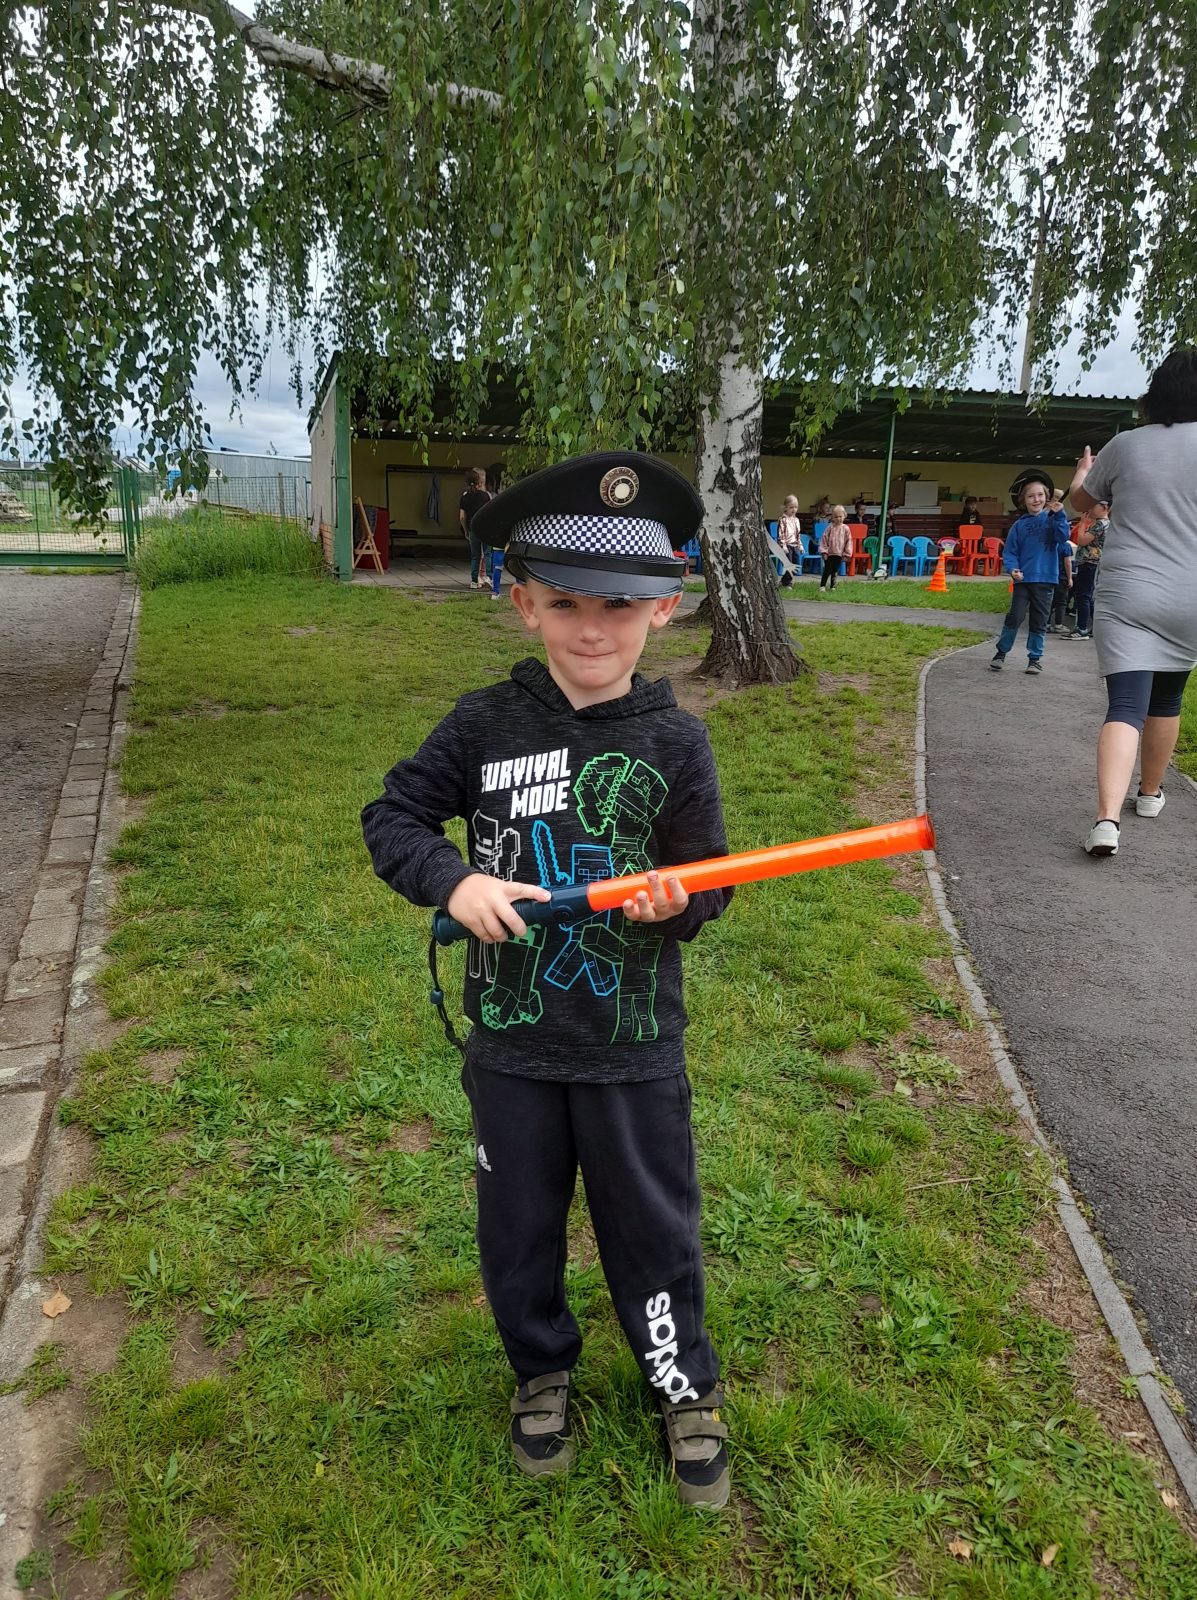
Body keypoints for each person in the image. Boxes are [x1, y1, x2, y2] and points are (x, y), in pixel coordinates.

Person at [361, 451, 733, 1508]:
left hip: (631, 1049)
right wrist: (455, 879)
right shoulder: (484, 726)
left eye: (617, 605)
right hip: (513, 1046)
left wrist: (678, 902)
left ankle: (681, 1386)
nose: (591, 629)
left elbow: (709, 881)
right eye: (565, 602)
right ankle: (539, 1370)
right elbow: (392, 815)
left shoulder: (677, 742)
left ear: (661, 606)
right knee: (517, 1225)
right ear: (524, 603)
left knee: (651, 1227)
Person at [1069, 348, 1197, 857]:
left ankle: (1106, 822)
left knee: (1125, 705)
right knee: (1168, 699)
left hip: (1130, 592)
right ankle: (1148, 795)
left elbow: (1082, 502)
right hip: (1190, 593)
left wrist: (1083, 471)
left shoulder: (1126, 445)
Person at [989, 469, 1070, 674]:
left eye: (1040, 495)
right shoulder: (1018, 526)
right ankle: (1001, 653)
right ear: (1023, 501)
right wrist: (1013, 569)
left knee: (1039, 620)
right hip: (1023, 580)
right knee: (1014, 617)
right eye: (1031, 496)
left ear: (1047, 497)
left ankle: (1034, 659)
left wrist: (1060, 514)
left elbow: (1063, 538)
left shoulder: (1053, 520)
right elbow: (1010, 551)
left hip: (1046, 579)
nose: (1036, 499)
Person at [1070, 501, 1108, 640]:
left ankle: (1081, 628)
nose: (1090, 509)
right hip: (1096, 562)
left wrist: (1082, 523)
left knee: (1083, 596)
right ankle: (1095, 628)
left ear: (1104, 508)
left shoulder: (1099, 524)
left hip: (1089, 562)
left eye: (1094, 506)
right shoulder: (1107, 524)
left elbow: (1082, 540)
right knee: (1090, 596)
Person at [458, 467, 493, 590]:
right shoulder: (485, 496)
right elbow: (490, 512)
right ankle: (489, 577)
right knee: (487, 553)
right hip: (485, 528)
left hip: (473, 529)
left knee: (475, 556)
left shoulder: (465, 497)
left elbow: (462, 517)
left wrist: (466, 530)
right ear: (479, 482)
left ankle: (474, 581)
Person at [818, 504, 853, 590]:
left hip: (839, 554)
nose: (838, 519)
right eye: (836, 517)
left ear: (844, 516)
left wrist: (847, 553)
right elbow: (824, 539)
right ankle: (822, 586)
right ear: (832, 517)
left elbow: (848, 541)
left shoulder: (846, 529)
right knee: (827, 570)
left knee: (835, 571)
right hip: (829, 554)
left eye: (840, 516)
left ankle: (833, 586)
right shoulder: (830, 528)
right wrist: (824, 551)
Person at [1048, 535, 1075, 633]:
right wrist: (1070, 578)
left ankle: (1046, 624)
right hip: (1061, 577)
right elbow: (1067, 562)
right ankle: (1058, 625)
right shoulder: (1065, 546)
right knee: (1061, 602)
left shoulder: (1048, 544)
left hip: (1048, 577)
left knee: (1048, 601)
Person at [776, 494, 802, 587]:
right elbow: (781, 534)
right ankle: (787, 583)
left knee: (796, 565)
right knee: (789, 565)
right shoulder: (783, 519)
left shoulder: (796, 520)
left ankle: (783, 581)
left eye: (796, 507)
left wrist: (800, 546)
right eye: (791, 507)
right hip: (786, 546)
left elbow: (798, 534)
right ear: (785, 508)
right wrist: (783, 546)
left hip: (795, 545)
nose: (794, 509)